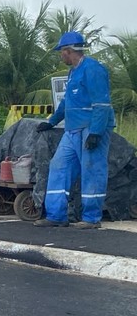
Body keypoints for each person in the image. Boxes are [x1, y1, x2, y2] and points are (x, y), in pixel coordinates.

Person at [33, 31, 114, 229]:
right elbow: (67, 103)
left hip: (91, 128)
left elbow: (102, 104)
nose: (61, 56)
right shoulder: (74, 72)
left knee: (92, 169)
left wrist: (96, 132)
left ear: (69, 51)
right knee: (59, 166)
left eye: (62, 52)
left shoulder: (93, 69)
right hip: (72, 129)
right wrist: (52, 122)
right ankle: (56, 215)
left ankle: (91, 218)